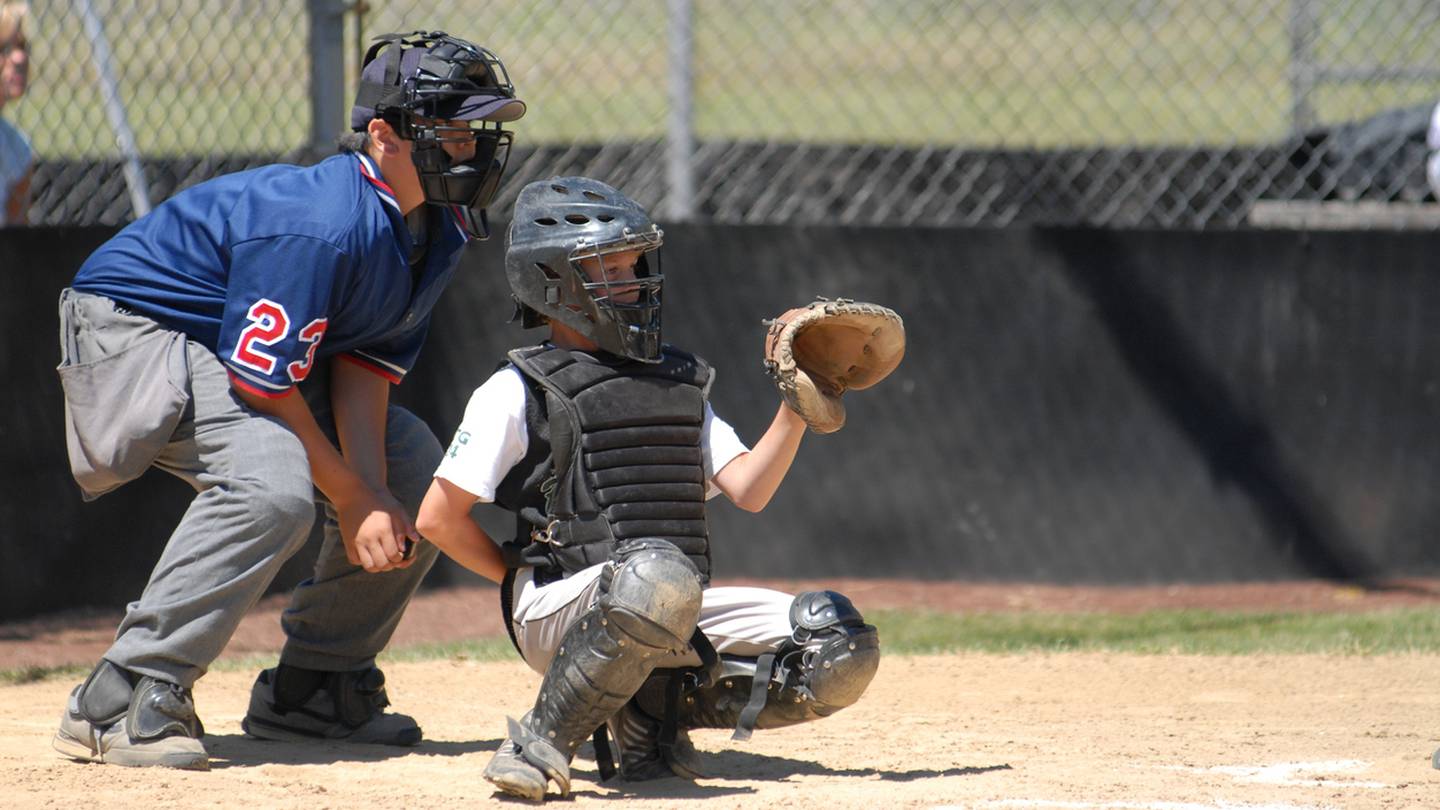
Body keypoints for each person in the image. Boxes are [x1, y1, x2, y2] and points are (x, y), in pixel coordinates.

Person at [51, 30, 525, 770]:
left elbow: (363, 369)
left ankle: (313, 690)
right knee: (271, 486)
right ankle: (123, 691)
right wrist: (349, 496)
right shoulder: (324, 224)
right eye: (449, 129)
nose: (468, 148)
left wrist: (369, 491)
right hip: (134, 328)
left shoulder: (440, 225)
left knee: (410, 466)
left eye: (474, 131)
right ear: (383, 135)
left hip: (228, 350)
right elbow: (261, 383)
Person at [414, 176, 882, 801]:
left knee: (837, 645)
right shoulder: (516, 388)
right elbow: (437, 518)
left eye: (637, 263)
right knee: (656, 575)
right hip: (559, 607)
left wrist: (796, 405)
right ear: (555, 283)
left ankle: (654, 718)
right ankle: (540, 741)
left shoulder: (676, 379)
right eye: (612, 267)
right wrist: (514, 576)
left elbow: (749, 488)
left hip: (666, 601)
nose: (636, 280)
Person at [0, 1, 30, 225]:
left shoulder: (17, 147)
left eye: (22, 46)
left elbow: (16, 233)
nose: (20, 58)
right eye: (4, 49)